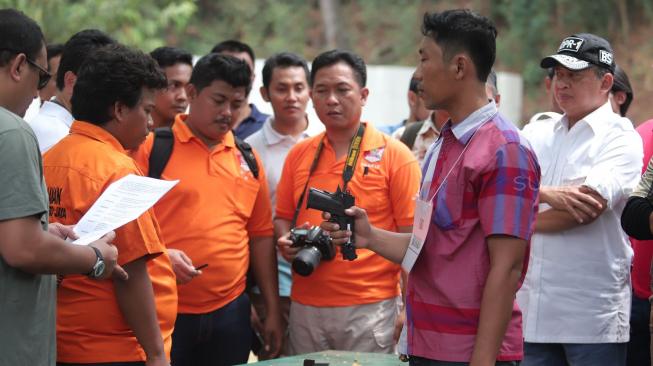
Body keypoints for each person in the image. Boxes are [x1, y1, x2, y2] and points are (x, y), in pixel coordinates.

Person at [321, 10, 540, 365]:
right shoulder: (444, 142)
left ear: (459, 67)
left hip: (470, 353)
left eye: (424, 59)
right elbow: (432, 246)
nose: (418, 74)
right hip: (427, 345)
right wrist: (369, 236)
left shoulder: (505, 149)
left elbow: (508, 268)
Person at [132, 53, 282, 366]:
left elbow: (261, 237)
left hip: (230, 313)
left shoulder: (248, 159)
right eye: (219, 100)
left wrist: (272, 309)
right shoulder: (152, 148)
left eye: (237, 103)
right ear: (191, 93)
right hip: (163, 309)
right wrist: (161, 255)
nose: (228, 112)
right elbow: (126, 223)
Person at [275, 49, 421, 355]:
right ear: (312, 96)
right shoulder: (299, 155)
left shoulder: (395, 156)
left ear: (363, 94)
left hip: (371, 308)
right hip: (306, 305)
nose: (331, 100)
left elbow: (414, 241)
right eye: (322, 91)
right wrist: (285, 239)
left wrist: (410, 309)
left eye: (342, 90)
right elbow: (283, 217)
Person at [0, 9, 124, 366]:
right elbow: (23, 250)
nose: (40, 94)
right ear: (19, 66)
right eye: (42, 77)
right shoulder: (11, 132)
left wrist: (41, 229)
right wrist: (96, 258)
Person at [43, 43, 177, 366]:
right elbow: (130, 273)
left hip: (60, 340)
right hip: (114, 349)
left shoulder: (49, 158)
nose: (151, 123)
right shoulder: (116, 170)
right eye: (146, 111)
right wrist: (156, 354)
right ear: (119, 110)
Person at [518, 33, 642, 366]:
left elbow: (584, 208)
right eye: (559, 75)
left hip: (590, 318)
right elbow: (497, 191)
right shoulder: (535, 133)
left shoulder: (621, 137)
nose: (563, 84)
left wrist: (516, 220)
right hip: (531, 313)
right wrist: (544, 194)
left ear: (605, 82)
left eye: (574, 76)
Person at [244, 51, 313, 357]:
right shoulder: (248, 150)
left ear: (310, 90)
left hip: (328, 284)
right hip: (272, 286)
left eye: (299, 87)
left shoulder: (330, 140)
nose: (292, 97)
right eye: (281, 88)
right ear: (264, 93)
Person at [28, 29, 115, 153]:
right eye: (102, 86)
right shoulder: (55, 134)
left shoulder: (59, 128)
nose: (110, 97)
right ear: (71, 81)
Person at [211, 40, 270, 139]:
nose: (235, 77)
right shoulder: (198, 127)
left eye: (243, 71)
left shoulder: (269, 128)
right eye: (226, 70)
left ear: (253, 77)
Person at [149, 46, 193, 129]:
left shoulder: (198, 139)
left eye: (188, 87)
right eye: (175, 85)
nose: (183, 97)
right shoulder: (127, 137)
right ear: (151, 85)